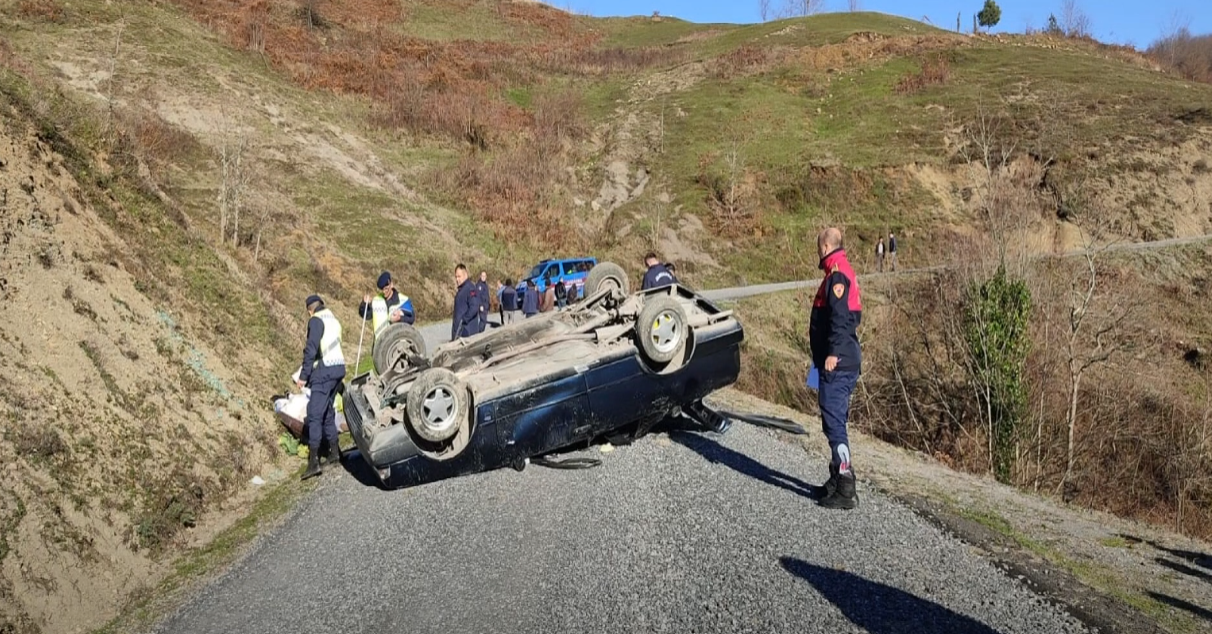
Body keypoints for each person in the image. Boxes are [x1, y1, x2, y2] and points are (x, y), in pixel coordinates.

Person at [808, 227, 863, 510]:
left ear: (826, 245)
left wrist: (832, 354)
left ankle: (845, 486)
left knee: (834, 424)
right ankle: (836, 477)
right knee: (833, 419)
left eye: (819, 247)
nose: (817, 252)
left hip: (838, 363)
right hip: (839, 361)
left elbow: (842, 318)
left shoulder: (837, 274)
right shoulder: (836, 272)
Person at [297, 294, 345, 480]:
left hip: (324, 372)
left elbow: (311, 348)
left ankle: (313, 462)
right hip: (338, 368)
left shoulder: (316, 321)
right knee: (327, 412)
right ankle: (334, 453)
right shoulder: (332, 318)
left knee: (315, 414)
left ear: (310, 310)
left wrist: (303, 376)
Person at [358, 271, 415, 344]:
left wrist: (400, 318)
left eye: (386, 288)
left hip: (398, 346)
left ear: (391, 285)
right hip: (380, 345)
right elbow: (364, 315)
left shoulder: (403, 300)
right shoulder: (376, 301)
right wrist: (364, 304)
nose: (384, 292)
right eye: (382, 289)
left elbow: (412, 318)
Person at [452, 264, 482, 340]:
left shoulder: (470, 288)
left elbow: (474, 306)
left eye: (459, 276)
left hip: (467, 331)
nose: (457, 279)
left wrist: (464, 319)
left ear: (465, 275)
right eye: (456, 277)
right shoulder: (462, 290)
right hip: (460, 331)